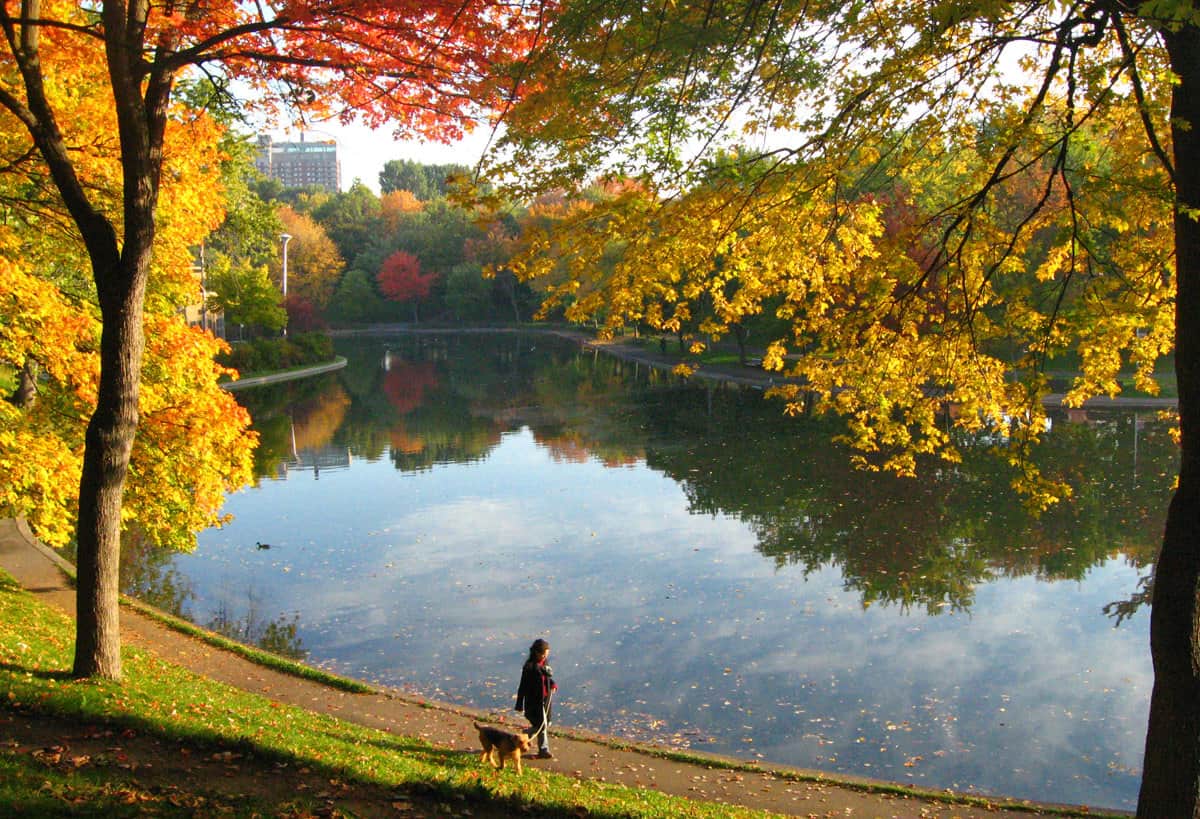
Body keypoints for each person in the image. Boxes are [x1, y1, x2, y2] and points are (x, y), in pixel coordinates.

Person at [514, 638, 556, 759]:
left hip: (545, 699)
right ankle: (543, 750)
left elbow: (547, 678)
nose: (544, 657)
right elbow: (522, 686)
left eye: (546, 654)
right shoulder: (529, 668)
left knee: (546, 723)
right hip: (534, 702)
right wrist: (519, 704)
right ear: (536, 653)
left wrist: (553, 684)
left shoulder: (544, 663)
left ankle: (523, 736)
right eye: (543, 654)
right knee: (542, 725)